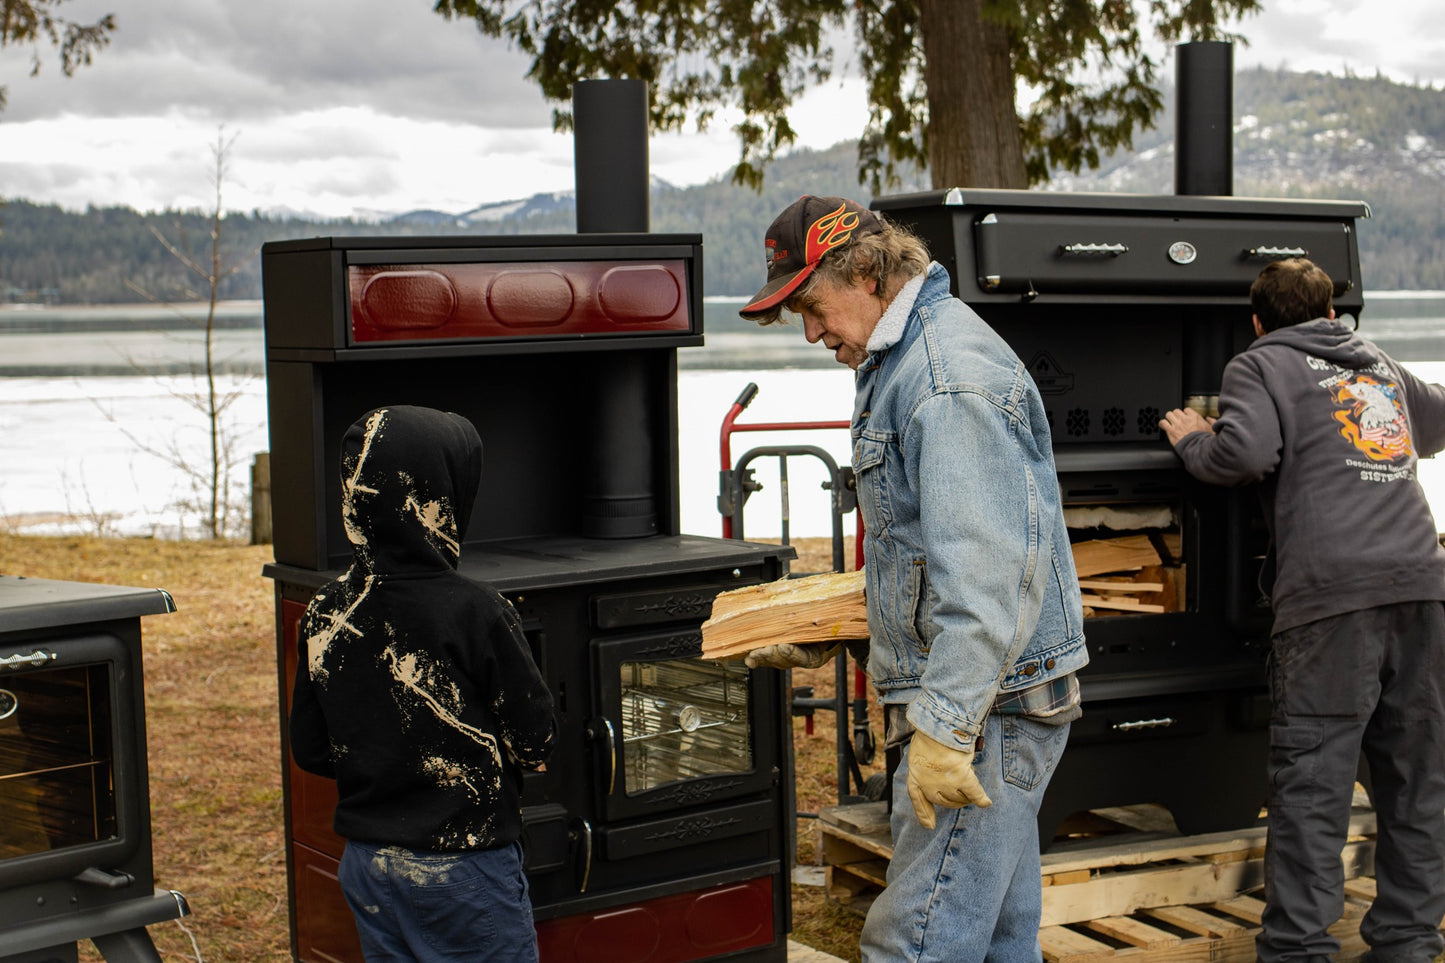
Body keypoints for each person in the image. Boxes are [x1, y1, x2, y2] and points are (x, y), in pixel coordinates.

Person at [739, 195, 1089, 962]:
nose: (809, 331)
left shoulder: (942, 379)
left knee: (915, 943)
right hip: (988, 703)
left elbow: (986, 582)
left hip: (984, 712)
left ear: (865, 270)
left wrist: (945, 732)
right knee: (996, 941)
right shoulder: (904, 357)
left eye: (809, 304)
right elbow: (926, 552)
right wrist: (829, 628)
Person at [1159, 258, 1445, 963]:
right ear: (1330, 312)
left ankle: (1295, 951)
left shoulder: (1256, 365)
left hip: (1330, 600)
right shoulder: (1373, 359)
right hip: (1420, 588)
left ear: (1257, 320)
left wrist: (1193, 436)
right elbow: (1433, 424)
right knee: (1415, 777)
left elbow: (1245, 454)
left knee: (1313, 782)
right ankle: (1408, 942)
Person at [288, 404, 556, 963]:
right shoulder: (477, 610)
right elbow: (535, 739)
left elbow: (312, 749)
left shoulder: (325, 610)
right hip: (465, 862)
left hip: (368, 863)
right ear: (444, 495)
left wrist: (388, 757)